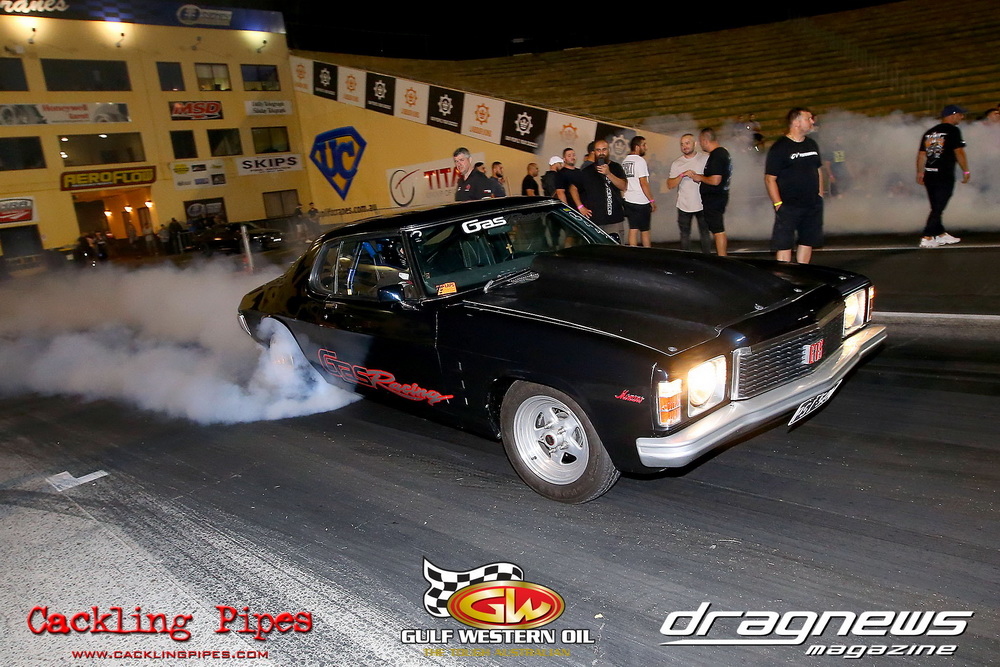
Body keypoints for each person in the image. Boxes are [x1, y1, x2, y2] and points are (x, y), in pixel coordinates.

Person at [765, 107, 824, 264]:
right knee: (784, 244)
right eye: (808, 118)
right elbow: (770, 179)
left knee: (807, 241)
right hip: (789, 205)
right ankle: (784, 275)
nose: (812, 121)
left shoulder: (812, 144)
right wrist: (778, 204)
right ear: (797, 122)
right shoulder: (780, 147)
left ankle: (802, 273)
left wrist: (820, 194)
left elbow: (818, 170)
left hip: (812, 203)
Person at [916, 105, 969, 248]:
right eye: (960, 114)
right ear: (952, 115)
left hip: (930, 173)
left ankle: (940, 234)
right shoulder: (953, 130)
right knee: (939, 207)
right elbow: (959, 152)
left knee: (936, 205)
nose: (962, 117)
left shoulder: (930, 132)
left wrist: (920, 172)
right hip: (944, 174)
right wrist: (966, 171)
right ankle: (927, 236)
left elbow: (922, 154)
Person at [686, 128, 731, 256]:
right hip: (717, 197)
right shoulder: (721, 153)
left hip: (715, 198)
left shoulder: (717, 155)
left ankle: (722, 258)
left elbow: (715, 180)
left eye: (700, 141)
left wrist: (700, 178)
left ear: (705, 141)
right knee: (717, 229)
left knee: (718, 230)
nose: (700, 145)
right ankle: (722, 257)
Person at [570, 139, 628, 239]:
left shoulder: (616, 167)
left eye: (604, 149)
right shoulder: (587, 171)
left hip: (614, 220)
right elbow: (573, 188)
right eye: (598, 150)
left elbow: (623, 186)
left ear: (608, 150)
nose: (601, 153)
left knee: (615, 247)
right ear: (594, 152)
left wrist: (608, 174)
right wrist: (580, 207)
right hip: (595, 220)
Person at [667, 133, 711, 253]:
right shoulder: (677, 163)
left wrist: (698, 177)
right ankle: (685, 260)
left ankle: (708, 258)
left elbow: (713, 178)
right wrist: (682, 175)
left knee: (705, 233)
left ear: (695, 144)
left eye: (687, 143)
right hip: (684, 205)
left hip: (703, 203)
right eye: (682, 144)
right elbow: (670, 185)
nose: (684, 146)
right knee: (685, 235)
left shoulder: (705, 158)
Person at [621, 135, 656, 247]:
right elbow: (643, 183)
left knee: (633, 229)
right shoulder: (640, 161)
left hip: (628, 200)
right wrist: (651, 200)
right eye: (643, 145)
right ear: (637, 147)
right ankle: (647, 254)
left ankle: (633, 254)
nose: (646, 147)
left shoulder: (625, 161)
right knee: (645, 231)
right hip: (641, 201)